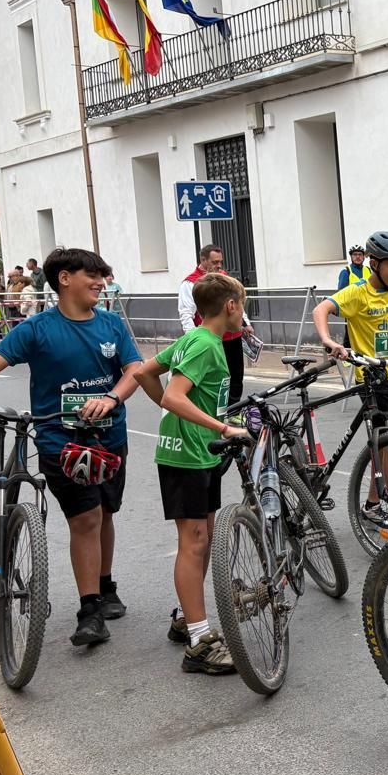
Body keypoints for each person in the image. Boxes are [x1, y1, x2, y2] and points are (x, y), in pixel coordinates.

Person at [0, 248, 146, 646]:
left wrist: (111, 398)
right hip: (61, 440)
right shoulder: (37, 328)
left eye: (102, 276)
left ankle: (106, 585)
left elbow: (133, 370)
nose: (100, 282)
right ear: (65, 279)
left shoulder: (111, 325)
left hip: (110, 436)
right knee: (87, 517)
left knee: (106, 511)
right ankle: (89, 609)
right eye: (92, 275)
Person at [136, 272, 250, 675]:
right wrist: (218, 426)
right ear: (230, 306)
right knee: (194, 540)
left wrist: (179, 416)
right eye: (243, 304)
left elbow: (143, 373)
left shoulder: (195, 338)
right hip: (187, 454)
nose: (244, 313)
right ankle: (199, 642)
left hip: (200, 451)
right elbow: (173, 394)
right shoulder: (205, 345)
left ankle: (189, 617)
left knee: (204, 535)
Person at [311, 229, 388, 531]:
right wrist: (329, 341)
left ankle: (371, 504)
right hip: (372, 377)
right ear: (374, 263)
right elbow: (321, 309)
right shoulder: (358, 292)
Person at [178, 244, 249, 404]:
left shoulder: (224, 277)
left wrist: (246, 323)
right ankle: (217, 409)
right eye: (215, 262)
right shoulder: (190, 283)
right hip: (213, 338)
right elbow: (186, 314)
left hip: (233, 336)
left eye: (220, 262)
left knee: (236, 374)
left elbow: (237, 302)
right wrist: (193, 338)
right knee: (217, 376)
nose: (219, 266)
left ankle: (234, 408)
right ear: (203, 260)